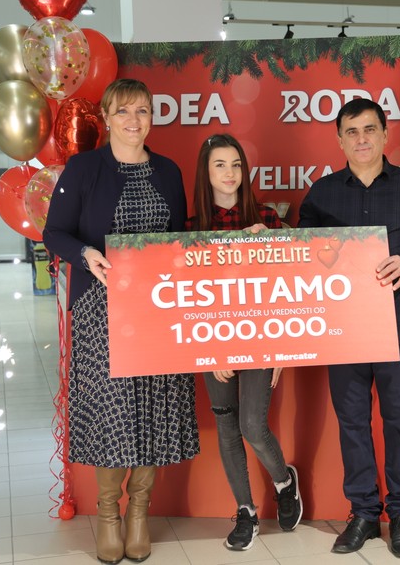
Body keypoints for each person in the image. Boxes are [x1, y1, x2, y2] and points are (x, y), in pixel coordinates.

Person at [43, 78, 199, 565]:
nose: (134, 120)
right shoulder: (84, 168)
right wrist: (86, 254)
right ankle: (109, 513)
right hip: (101, 311)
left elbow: (177, 240)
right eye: (124, 111)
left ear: (152, 117)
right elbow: (54, 232)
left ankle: (139, 513)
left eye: (143, 111)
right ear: (107, 118)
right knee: (113, 412)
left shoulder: (169, 171)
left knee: (152, 407)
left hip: (158, 312)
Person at [299, 98, 400, 559]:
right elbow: (300, 254)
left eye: (369, 129)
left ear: (385, 134)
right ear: (339, 140)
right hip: (341, 330)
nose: (361, 139)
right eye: (352, 131)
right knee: (352, 422)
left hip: (398, 325)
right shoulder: (322, 193)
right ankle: (363, 513)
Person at [188, 133, 303, 551]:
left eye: (236, 164)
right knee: (226, 425)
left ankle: (284, 481)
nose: (230, 173)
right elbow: (183, 299)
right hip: (211, 341)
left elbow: (292, 284)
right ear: (206, 172)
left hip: (261, 340)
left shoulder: (267, 218)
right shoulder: (190, 229)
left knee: (252, 424)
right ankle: (246, 511)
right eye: (220, 164)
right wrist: (208, 352)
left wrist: (281, 348)